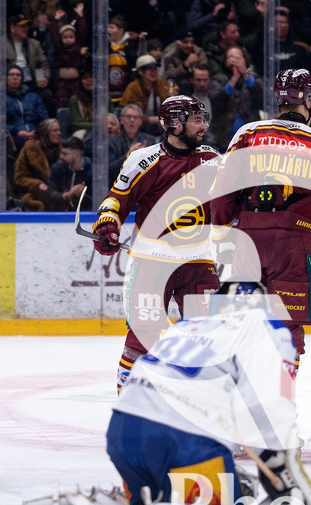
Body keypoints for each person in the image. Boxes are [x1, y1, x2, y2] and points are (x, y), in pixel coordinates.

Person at [15, 281, 311, 505]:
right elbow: (270, 407)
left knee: (156, 502)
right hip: (184, 442)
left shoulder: (188, 325)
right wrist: (284, 472)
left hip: (123, 432)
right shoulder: (265, 328)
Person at [211, 68, 311, 363]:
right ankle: (280, 401)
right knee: (287, 328)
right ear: (309, 99)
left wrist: (222, 236)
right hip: (292, 245)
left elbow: (222, 194)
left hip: (247, 241)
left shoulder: (248, 133)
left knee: (244, 325)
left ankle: (244, 400)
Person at [91, 96, 221, 390]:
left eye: (204, 119)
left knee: (208, 335)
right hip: (152, 262)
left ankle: (204, 402)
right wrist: (108, 224)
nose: (203, 126)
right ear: (174, 123)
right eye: (196, 120)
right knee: (144, 335)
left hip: (198, 261)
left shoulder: (212, 159)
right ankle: (130, 403)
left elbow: (228, 204)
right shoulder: (145, 160)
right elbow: (116, 200)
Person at [13, 117, 61, 211]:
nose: (59, 133)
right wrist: (38, 184)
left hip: (57, 193)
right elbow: (19, 178)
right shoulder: (30, 148)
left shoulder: (62, 149)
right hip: (34, 193)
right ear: (45, 133)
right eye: (55, 130)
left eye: (59, 130)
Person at [120, 55, 174, 134]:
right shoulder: (133, 88)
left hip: (162, 127)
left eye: (155, 69)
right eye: (150, 69)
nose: (154, 72)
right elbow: (131, 114)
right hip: (141, 128)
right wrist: (157, 119)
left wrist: (172, 99)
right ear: (140, 72)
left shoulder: (163, 84)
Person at [107, 104, 157, 186]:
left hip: (144, 186)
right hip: (119, 187)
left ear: (140, 121)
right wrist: (128, 156)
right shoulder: (111, 142)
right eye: (128, 117)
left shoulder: (150, 140)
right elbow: (109, 171)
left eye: (136, 117)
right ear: (121, 120)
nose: (132, 120)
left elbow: (156, 169)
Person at [6, 64, 49, 148]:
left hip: (35, 136)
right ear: (6, 78)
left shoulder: (33, 97)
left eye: (18, 75)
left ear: (22, 78)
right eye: (11, 75)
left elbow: (44, 119)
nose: (15, 77)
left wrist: (36, 132)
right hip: (12, 137)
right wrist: (17, 131)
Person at [47, 135, 90, 212]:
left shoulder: (92, 171)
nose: (60, 156)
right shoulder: (58, 168)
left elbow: (99, 200)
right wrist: (67, 195)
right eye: (61, 152)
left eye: (65, 154)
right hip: (59, 217)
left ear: (77, 155)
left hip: (84, 218)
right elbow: (49, 193)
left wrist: (83, 196)